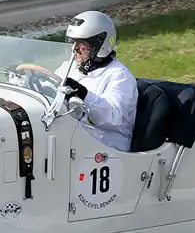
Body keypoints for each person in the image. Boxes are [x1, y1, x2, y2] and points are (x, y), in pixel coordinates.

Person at [53, 10, 138, 152]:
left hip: (107, 147)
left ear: (99, 45)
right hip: (75, 138)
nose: (75, 49)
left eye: (82, 44)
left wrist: (84, 95)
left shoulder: (119, 75)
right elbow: (52, 84)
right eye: (74, 43)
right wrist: (27, 79)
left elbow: (114, 118)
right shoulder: (70, 66)